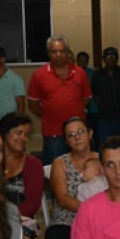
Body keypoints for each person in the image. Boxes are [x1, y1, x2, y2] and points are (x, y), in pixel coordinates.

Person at [27, 36, 92, 164]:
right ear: (48, 53)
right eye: (54, 51)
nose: (58, 55)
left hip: (78, 132)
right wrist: (50, 114)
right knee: (55, 167)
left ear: (67, 52)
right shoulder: (39, 75)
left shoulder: (80, 73)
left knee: (82, 165)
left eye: (62, 51)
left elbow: (86, 100)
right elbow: (32, 104)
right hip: (53, 132)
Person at [45, 116, 99, 239]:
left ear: (90, 133)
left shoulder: (102, 159)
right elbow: (63, 199)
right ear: (66, 141)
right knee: (56, 238)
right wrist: (91, 213)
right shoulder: (60, 163)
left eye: (81, 131)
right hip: (67, 220)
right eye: (71, 135)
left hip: (101, 218)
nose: (77, 137)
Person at [75, 51, 99, 143]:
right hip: (77, 108)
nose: (82, 63)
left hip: (93, 108)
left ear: (88, 61)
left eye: (84, 61)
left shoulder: (93, 73)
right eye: (80, 61)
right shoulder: (72, 73)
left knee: (94, 134)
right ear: (77, 61)